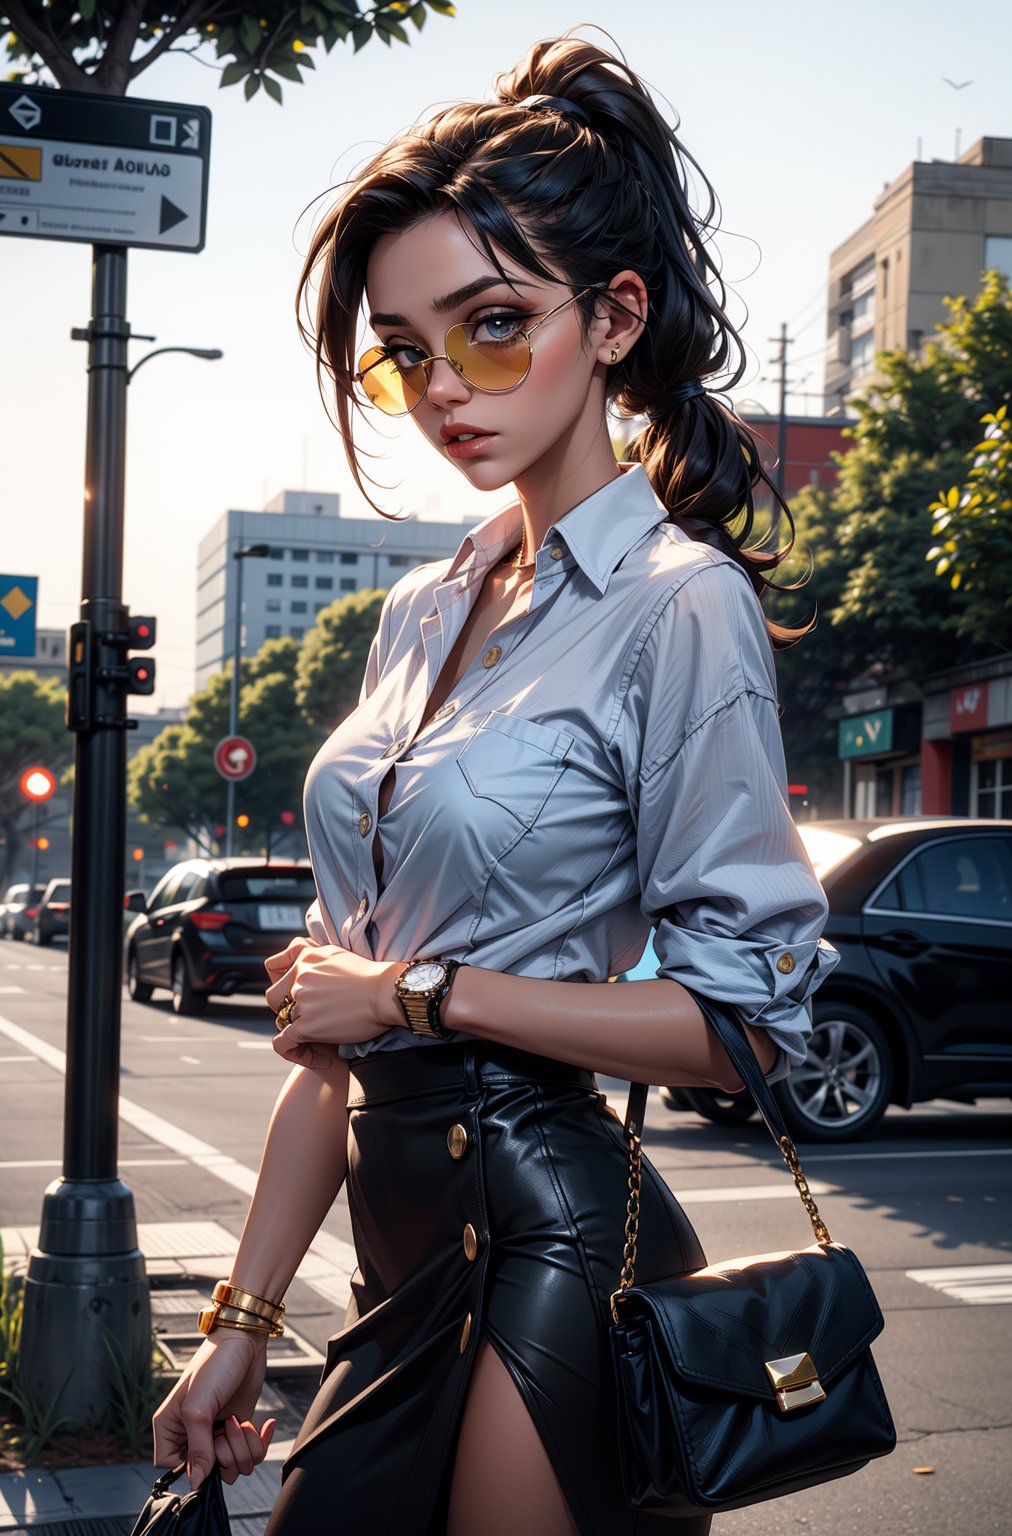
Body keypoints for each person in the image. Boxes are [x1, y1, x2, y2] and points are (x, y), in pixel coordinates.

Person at [152, 31, 840, 1536]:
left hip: (551, 1239)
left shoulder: (680, 601)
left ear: (614, 317)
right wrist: (237, 1326)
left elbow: (744, 1022)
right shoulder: (422, 606)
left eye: (490, 326)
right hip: (399, 1250)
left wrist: (419, 996)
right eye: (404, 351)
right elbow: (324, 1053)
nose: (442, 387)